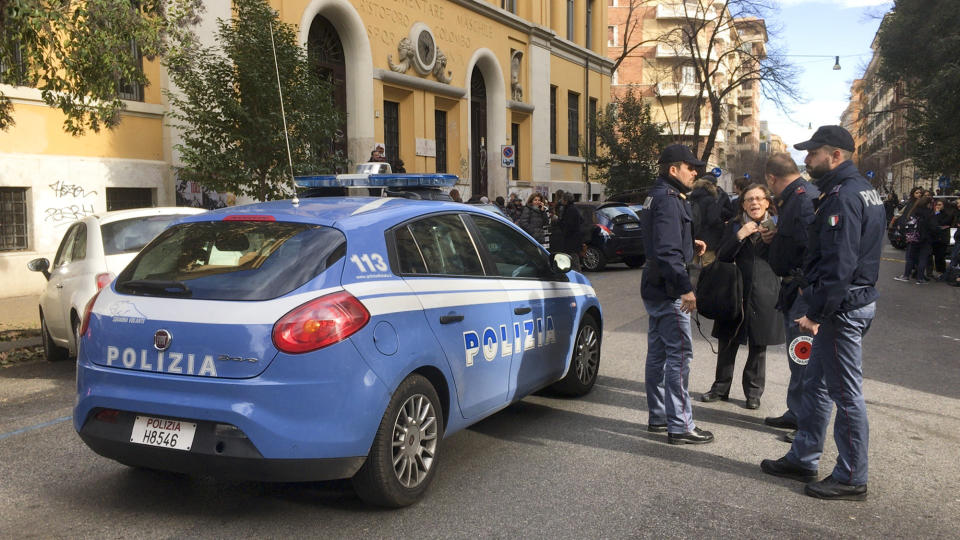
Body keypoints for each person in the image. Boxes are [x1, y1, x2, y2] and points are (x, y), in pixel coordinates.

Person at [760, 125, 885, 501]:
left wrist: (815, 312)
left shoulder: (843, 196)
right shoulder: (855, 190)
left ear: (836, 156)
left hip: (840, 310)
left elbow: (839, 265)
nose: (807, 160)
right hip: (845, 304)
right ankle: (804, 456)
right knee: (814, 384)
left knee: (845, 394)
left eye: (813, 154)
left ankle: (850, 476)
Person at [638, 144, 712, 445]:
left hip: (654, 283)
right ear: (673, 169)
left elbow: (661, 241)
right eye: (690, 167)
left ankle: (658, 416)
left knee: (657, 354)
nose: (695, 172)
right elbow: (667, 252)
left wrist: (687, 242)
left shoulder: (657, 195)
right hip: (669, 288)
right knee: (679, 356)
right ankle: (680, 425)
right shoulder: (669, 200)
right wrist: (685, 289)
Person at [700, 184, 784, 409]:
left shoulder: (777, 225)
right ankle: (720, 387)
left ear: (767, 202)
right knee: (728, 340)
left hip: (765, 290)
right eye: (749, 199)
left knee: (759, 344)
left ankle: (753, 393)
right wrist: (740, 235)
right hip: (734, 290)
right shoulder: (735, 225)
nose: (754, 203)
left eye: (759, 198)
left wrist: (773, 240)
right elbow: (722, 256)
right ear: (743, 204)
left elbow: (787, 257)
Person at [760, 152, 820, 441]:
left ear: (771, 178)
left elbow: (814, 247)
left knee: (804, 360)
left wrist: (804, 285)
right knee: (798, 358)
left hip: (801, 291)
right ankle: (796, 413)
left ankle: (805, 425)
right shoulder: (797, 196)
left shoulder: (803, 198)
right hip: (793, 288)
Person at [893, 195, 934, 284]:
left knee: (910, 258)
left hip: (913, 237)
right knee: (922, 258)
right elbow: (932, 226)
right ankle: (920, 278)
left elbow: (906, 222)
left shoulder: (914, 211)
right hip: (925, 238)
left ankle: (906, 275)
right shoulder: (929, 213)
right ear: (928, 204)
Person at [688, 175, 726, 267]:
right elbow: (712, 219)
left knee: (692, 266)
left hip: (693, 237)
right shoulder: (710, 199)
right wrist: (722, 224)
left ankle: (692, 281)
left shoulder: (691, 197)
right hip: (709, 239)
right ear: (712, 186)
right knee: (708, 266)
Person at [556, 192, 583, 271]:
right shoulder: (573, 208)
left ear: (566, 200)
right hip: (574, 240)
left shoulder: (570, 210)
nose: (562, 201)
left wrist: (559, 221)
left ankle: (578, 279)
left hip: (571, 240)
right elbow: (581, 220)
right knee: (573, 260)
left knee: (574, 261)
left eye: (563, 199)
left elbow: (568, 225)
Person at [931, 199, 951, 278]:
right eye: (937, 205)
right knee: (936, 255)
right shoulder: (935, 213)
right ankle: (938, 271)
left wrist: (937, 214)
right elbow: (933, 223)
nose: (938, 207)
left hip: (943, 238)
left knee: (941, 255)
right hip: (935, 237)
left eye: (940, 205)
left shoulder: (947, 214)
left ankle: (942, 272)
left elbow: (942, 223)